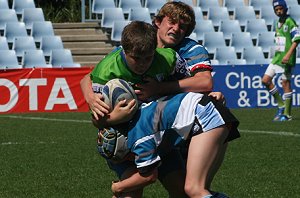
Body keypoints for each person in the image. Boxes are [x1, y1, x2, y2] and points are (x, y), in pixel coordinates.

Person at [83, 21, 192, 197]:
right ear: (124, 51)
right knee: (132, 191)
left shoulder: (168, 58)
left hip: (159, 135)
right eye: (136, 58)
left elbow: (188, 84)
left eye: (148, 58)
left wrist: (160, 88)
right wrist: (114, 118)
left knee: (182, 190)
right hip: (123, 140)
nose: (142, 64)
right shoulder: (106, 72)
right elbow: (97, 121)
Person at [97, 92, 240, 198]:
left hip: (205, 116)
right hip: (208, 112)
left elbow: (149, 176)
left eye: (127, 158)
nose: (131, 161)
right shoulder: (135, 122)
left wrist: (118, 187)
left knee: (194, 189)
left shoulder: (138, 139)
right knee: (197, 191)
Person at [261, 0, 300, 121]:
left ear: (285, 8)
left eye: (280, 9)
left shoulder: (290, 21)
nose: (278, 11)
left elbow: (297, 38)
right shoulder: (278, 22)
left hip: (286, 58)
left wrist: (288, 54)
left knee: (285, 84)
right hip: (277, 58)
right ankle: (281, 104)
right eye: (276, 9)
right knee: (265, 80)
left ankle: (287, 114)